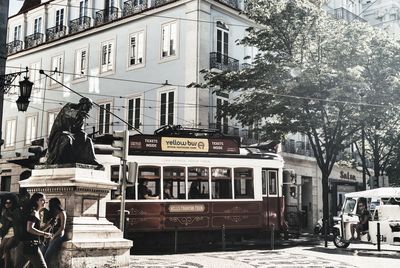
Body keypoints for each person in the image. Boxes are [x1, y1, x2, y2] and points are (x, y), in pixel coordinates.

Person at [46, 97, 102, 167]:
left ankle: (91, 160)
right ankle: (58, 161)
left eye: (89, 108)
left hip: (72, 135)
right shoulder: (69, 106)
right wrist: (78, 113)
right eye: (88, 107)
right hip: (58, 134)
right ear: (83, 105)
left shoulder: (81, 116)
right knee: (67, 139)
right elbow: (66, 113)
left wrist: (83, 134)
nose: (88, 110)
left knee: (88, 140)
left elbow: (79, 130)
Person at [22, 192, 52, 268]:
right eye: (42, 200)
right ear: (36, 201)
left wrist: (48, 225)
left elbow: (36, 230)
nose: (44, 202)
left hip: (29, 244)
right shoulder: (34, 213)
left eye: (45, 200)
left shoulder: (38, 213)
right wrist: (45, 234)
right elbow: (30, 229)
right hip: (31, 245)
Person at [42, 198, 66, 265]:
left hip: (58, 234)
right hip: (50, 234)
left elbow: (62, 227)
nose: (49, 206)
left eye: (51, 204)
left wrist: (53, 236)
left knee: (47, 254)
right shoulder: (52, 213)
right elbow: (47, 225)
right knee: (42, 252)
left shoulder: (62, 213)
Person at [0, 198, 19, 268]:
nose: (7, 204)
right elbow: (2, 223)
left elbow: (15, 221)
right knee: (1, 247)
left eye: (9, 202)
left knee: (6, 247)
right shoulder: (3, 211)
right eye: (6, 203)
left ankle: (6, 266)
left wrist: (6, 216)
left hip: (14, 231)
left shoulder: (15, 211)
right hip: (7, 232)